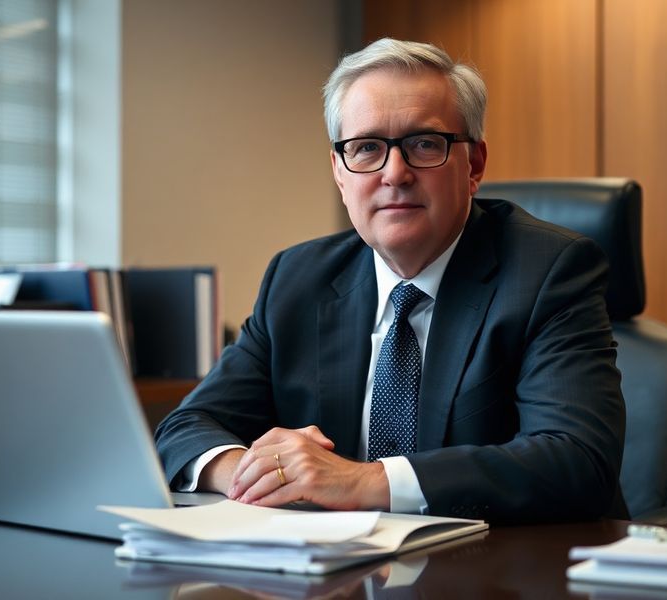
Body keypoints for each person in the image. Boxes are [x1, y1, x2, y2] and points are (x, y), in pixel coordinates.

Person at [155, 38, 627, 524]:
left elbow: (576, 460)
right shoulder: (298, 279)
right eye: (366, 148)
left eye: (425, 144)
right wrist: (261, 471)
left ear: (475, 165)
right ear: (340, 173)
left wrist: (361, 480)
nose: (395, 173)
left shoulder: (550, 271)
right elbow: (185, 428)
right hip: (335, 574)